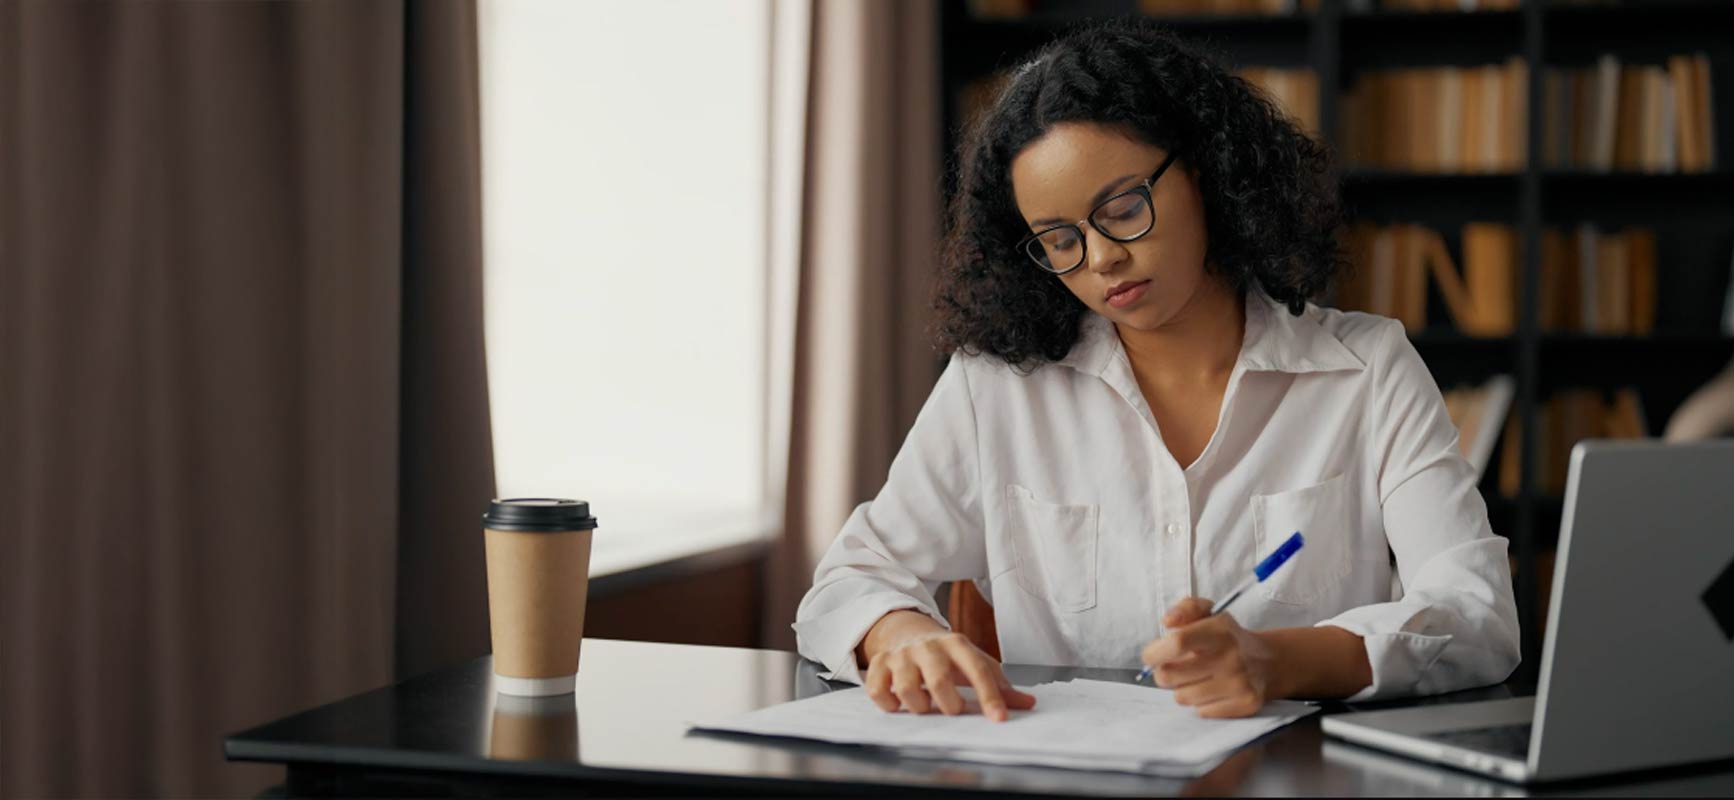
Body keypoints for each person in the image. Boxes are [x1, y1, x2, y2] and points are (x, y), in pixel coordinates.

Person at [792, 19, 1519, 723]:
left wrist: (1276, 661)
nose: (1101, 258)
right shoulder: (998, 389)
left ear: (1205, 172)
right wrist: (900, 635)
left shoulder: (1367, 372)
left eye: (1122, 208)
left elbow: (1477, 612)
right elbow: (850, 580)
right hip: (1071, 776)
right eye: (1059, 239)